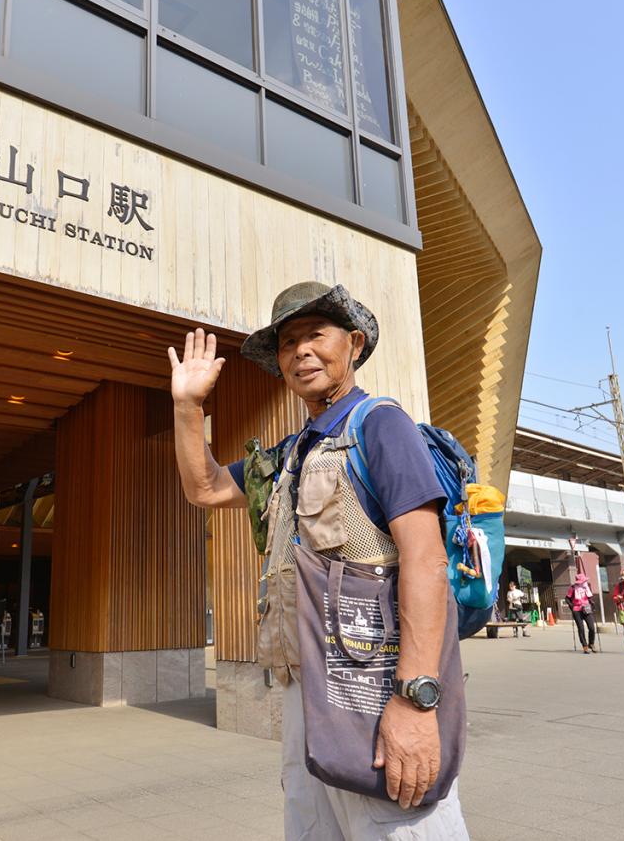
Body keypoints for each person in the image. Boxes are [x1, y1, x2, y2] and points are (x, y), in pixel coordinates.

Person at [169, 281, 469, 840]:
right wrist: (189, 407)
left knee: (399, 826)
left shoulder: (381, 425)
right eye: (288, 343)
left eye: (315, 335)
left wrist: (415, 700)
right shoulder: (291, 452)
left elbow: (426, 560)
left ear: (353, 344)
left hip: (375, 688)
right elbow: (206, 488)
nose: (301, 351)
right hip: (307, 691)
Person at [565, 572, 597, 653]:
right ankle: (585, 645)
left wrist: (591, 602)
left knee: (592, 628)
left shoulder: (586, 586)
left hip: (586, 608)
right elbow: (567, 598)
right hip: (577, 610)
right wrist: (571, 606)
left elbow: (589, 597)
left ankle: (591, 643)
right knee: (581, 628)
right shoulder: (572, 588)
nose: (583, 582)